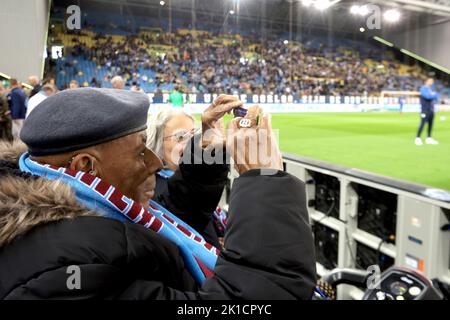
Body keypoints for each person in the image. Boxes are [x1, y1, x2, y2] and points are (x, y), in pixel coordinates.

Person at [0, 88, 316, 299]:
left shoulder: (87, 207)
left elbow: (179, 208)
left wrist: (205, 148)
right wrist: (265, 180)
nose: (155, 163)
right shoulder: (66, 271)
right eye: (141, 152)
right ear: (86, 165)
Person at [147, 108, 225, 248]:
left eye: (194, 135)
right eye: (181, 137)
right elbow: (185, 203)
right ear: (157, 144)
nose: (191, 143)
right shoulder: (154, 191)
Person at [415, 78, 440, 146]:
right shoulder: (423, 89)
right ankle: (418, 138)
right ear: (426, 81)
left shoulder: (430, 89)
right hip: (425, 110)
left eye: (432, 81)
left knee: (430, 124)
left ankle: (429, 138)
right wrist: (433, 95)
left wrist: (433, 95)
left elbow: (437, 96)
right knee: (422, 124)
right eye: (430, 81)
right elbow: (428, 97)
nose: (432, 82)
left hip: (431, 109)